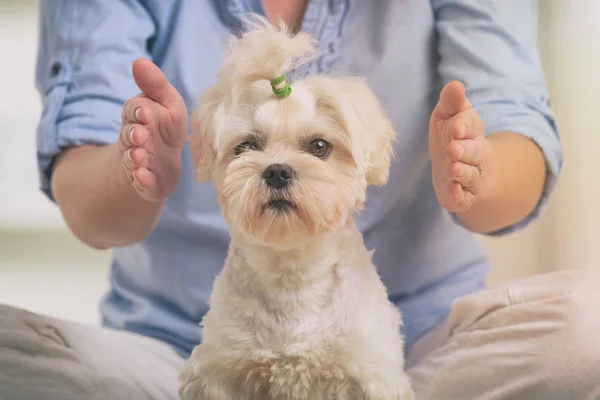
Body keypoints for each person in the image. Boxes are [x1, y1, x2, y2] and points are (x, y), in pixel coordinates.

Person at [1, 1, 598, 399]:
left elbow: (514, 124)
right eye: (249, 147)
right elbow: (84, 187)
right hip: (171, 351)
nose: (279, 170)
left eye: (317, 146)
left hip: (421, 350)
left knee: (586, 326)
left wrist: (476, 169)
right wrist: (132, 171)